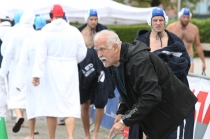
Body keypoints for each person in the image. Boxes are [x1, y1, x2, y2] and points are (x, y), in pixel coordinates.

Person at [93, 30, 197, 139]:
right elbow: (129, 90)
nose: (99, 55)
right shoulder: (114, 63)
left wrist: (125, 121)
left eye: (102, 49)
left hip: (176, 114)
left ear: (115, 47)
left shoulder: (138, 61)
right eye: (97, 50)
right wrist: (122, 111)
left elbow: (151, 96)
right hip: (159, 119)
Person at [135, 7, 195, 139]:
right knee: (147, 127)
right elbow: (134, 68)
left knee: (170, 130)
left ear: (165, 21)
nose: (158, 23)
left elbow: (184, 64)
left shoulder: (174, 41)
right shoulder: (141, 42)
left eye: (161, 20)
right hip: (149, 91)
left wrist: (165, 68)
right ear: (150, 21)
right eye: (155, 20)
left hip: (169, 94)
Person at [31, 4, 87, 139]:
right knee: (70, 106)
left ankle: (52, 137)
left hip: (50, 70)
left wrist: (36, 75)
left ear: (51, 16)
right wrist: (72, 61)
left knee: (51, 107)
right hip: (69, 70)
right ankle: (70, 136)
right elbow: (82, 53)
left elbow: (40, 55)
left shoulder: (46, 31)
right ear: (63, 15)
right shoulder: (74, 31)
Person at [78, 9, 115, 139]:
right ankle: (87, 134)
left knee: (101, 101)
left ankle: (95, 133)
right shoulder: (79, 32)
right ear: (86, 20)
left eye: (95, 19)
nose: (94, 22)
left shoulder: (104, 31)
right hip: (85, 67)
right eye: (91, 19)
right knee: (84, 104)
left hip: (101, 67)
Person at [0, 10, 35, 133]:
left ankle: (19, 116)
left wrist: (3, 71)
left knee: (14, 96)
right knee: (30, 98)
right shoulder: (35, 34)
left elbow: (7, 52)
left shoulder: (15, 33)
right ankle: (31, 130)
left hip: (16, 68)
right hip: (31, 69)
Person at [16, 15, 46, 139]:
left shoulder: (29, 39)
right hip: (46, 74)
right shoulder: (47, 38)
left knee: (31, 105)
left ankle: (31, 134)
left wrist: (19, 82)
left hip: (31, 75)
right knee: (50, 105)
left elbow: (22, 61)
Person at [166, 7, 206, 73]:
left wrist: (203, 62)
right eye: (184, 17)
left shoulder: (194, 29)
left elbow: (198, 45)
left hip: (188, 57)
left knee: (189, 79)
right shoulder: (171, 27)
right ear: (180, 17)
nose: (185, 19)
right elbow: (164, 43)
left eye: (187, 17)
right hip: (174, 58)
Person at [0, 10, 12, 121]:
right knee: (13, 89)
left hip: (1, 65)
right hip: (14, 66)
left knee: (2, 90)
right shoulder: (15, 31)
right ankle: (16, 115)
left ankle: (3, 116)